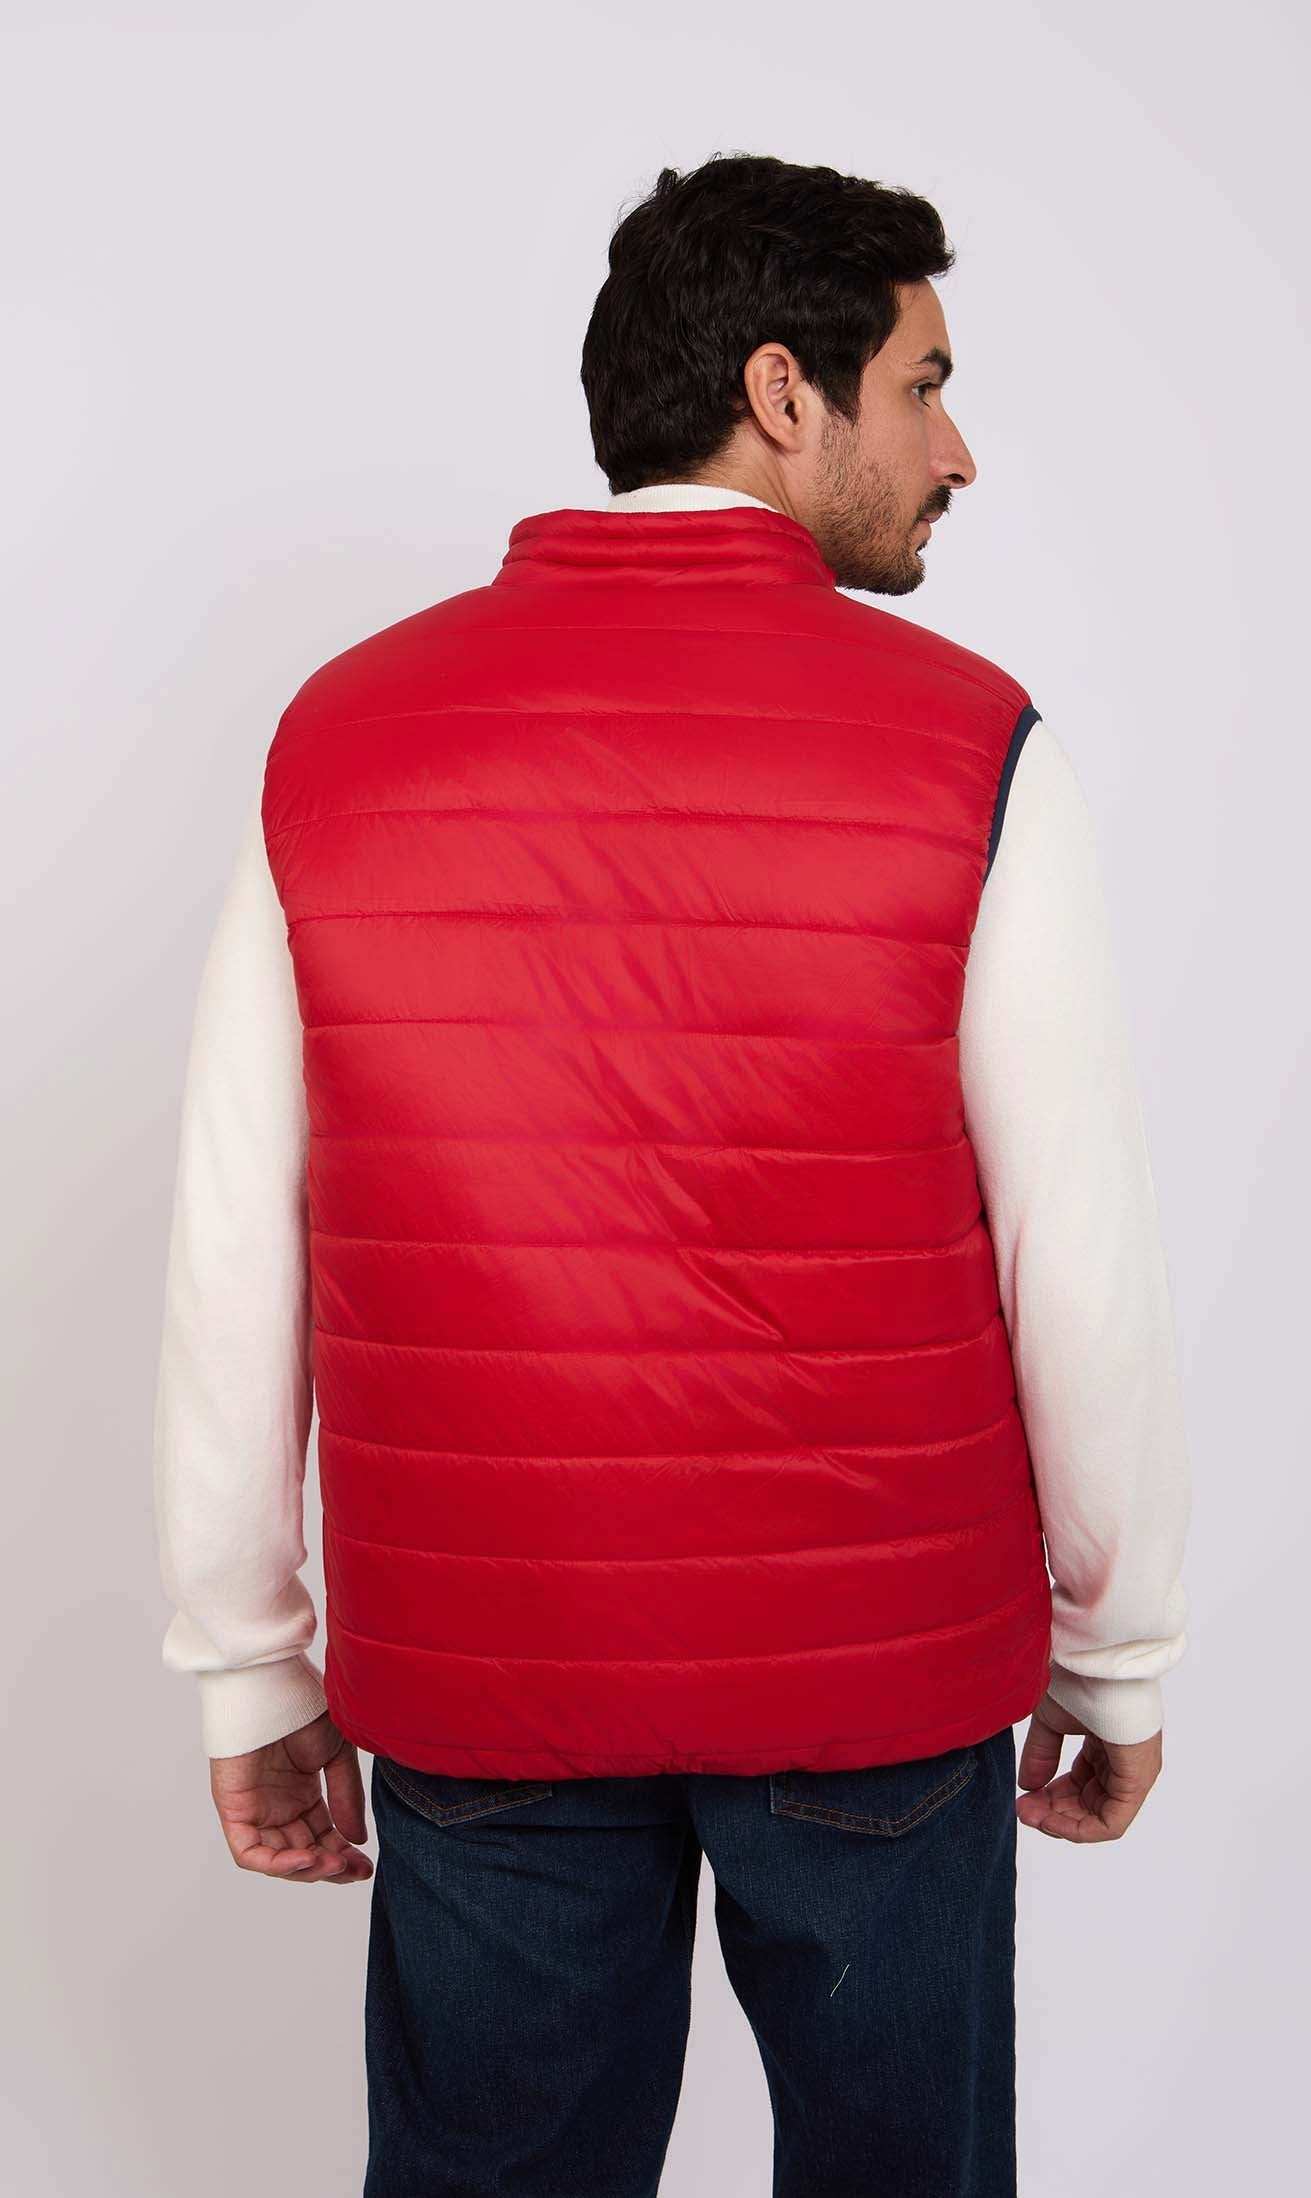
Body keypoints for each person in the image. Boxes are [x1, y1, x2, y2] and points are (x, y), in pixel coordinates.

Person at [152, 153, 1192, 2197]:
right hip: (878, 1674)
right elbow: (1073, 1247)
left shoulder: (341, 736)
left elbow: (230, 1240)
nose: (958, 449)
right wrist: (1117, 1642)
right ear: (783, 391)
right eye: (925, 384)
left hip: (489, 1664)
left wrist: (247, 1654)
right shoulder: (971, 743)